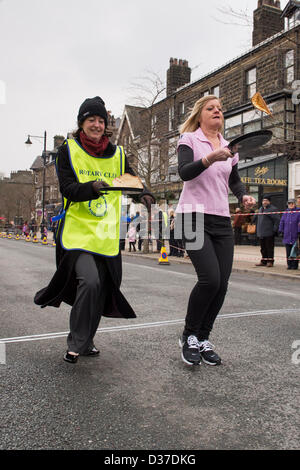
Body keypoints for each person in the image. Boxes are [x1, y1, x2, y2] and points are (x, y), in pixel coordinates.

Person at [34, 96, 154, 364]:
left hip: (106, 234)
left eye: (101, 120)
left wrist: (144, 194)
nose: (97, 125)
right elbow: (67, 188)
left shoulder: (117, 154)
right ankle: (76, 342)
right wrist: (92, 187)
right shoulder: (68, 150)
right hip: (77, 233)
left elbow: (132, 181)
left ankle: (87, 342)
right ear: (82, 123)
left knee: (103, 289)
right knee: (89, 281)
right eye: (91, 120)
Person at [176, 94, 256, 366]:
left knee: (221, 284)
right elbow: (185, 172)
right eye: (211, 108)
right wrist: (210, 158)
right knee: (209, 279)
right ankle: (188, 336)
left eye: (220, 108)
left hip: (221, 218)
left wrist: (243, 195)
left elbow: (234, 179)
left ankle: (203, 337)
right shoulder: (189, 140)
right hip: (191, 217)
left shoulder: (228, 147)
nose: (217, 111)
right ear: (200, 115)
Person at [253, 196, 280, 267]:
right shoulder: (260, 209)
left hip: (269, 232)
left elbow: (277, 220)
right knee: (263, 248)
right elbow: (255, 220)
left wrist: (274, 230)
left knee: (269, 248)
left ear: (269, 202)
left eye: (266, 201)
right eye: (263, 201)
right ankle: (263, 261)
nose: (264, 202)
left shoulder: (273, 209)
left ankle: (270, 261)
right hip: (261, 232)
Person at [278, 199, 300, 270]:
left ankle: (294, 265)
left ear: (295, 204)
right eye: (289, 203)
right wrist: (281, 230)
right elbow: (282, 221)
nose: (291, 205)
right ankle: (289, 264)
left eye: (292, 203)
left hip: (295, 234)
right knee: (288, 251)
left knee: (295, 251)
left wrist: (299, 231)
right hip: (287, 234)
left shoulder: (298, 212)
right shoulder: (286, 212)